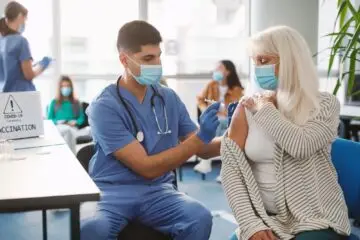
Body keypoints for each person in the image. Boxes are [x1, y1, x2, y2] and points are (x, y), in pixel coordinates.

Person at [81, 20, 222, 240]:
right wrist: (199, 139)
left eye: (158, 56)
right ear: (124, 60)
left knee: (199, 217)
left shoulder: (168, 98)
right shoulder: (104, 106)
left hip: (157, 192)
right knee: (93, 230)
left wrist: (237, 137)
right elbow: (146, 167)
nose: (157, 64)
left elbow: (204, 149)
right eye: (148, 58)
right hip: (111, 192)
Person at [221, 26, 351, 240]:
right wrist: (251, 224)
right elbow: (231, 170)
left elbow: (300, 146)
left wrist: (265, 109)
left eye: (264, 61)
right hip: (264, 218)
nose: (257, 69)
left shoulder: (324, 104)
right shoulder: (246, 108)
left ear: (290, 61)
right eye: (255, 62)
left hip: (315, 216)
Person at [194, 60, 244, 182]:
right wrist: (205, 109)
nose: (216, 70)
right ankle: (225, 171)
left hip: (227, 120)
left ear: (228, 71)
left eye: (219, 68)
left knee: (221, 124)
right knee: (222, 129)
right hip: (216, 119)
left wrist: (222, 114)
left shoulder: (236, 89)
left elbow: (235, 109)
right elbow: (200, 99)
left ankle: (206, 162)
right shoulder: (211, 85)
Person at [0, 1, 52, 92]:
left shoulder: (2, 41)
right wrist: (43, 65)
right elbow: (29, 75)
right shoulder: (21, 42)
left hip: (4, 96)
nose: (25, 22)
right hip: (22, 96)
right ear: (20, 16)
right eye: (25, 19)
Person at [47, 75, 86, 153]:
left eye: (68, 86)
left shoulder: (76, 102)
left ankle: (70, 155)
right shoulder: (54, 102)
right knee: (67, 131)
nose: (66, 88)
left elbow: (81, 118)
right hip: (59, 127)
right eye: (63, 86)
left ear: (71, 87)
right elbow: (49, 120)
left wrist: (76, 122)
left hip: (72, 127)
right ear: (60, 88)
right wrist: (59, 122)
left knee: (70, 132)